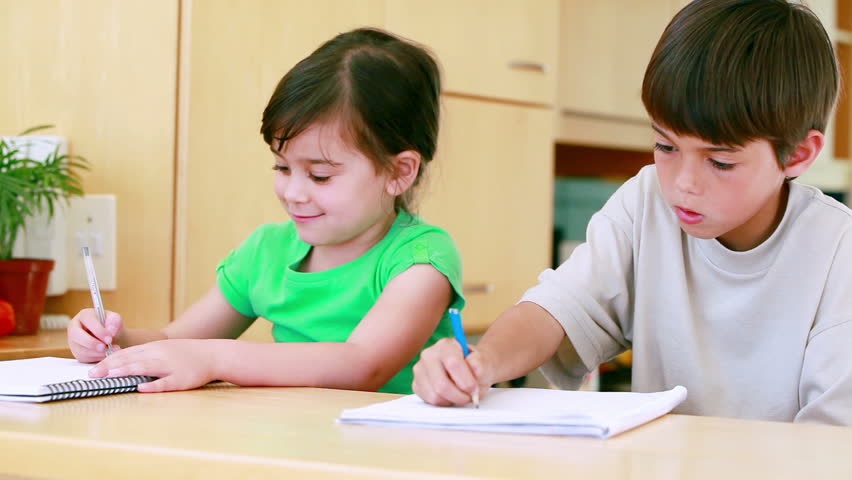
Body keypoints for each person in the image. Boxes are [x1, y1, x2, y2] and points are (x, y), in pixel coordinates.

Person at [413, 0, 852, 424]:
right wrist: (482, 363)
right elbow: (556, 309)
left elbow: (830, 441)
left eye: (720, 162)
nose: (683, 183)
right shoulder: (645, 203)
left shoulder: (837, 252)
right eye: (665, 146)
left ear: (797, 154)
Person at [67, 27, 464, 395]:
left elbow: (363, 364)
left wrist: (214, 358)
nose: (292, 192)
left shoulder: (421, 261)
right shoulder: (266, 251)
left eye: (320, 175)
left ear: (399, 172)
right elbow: (176, 341)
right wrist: (115, 341)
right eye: (282, 166)